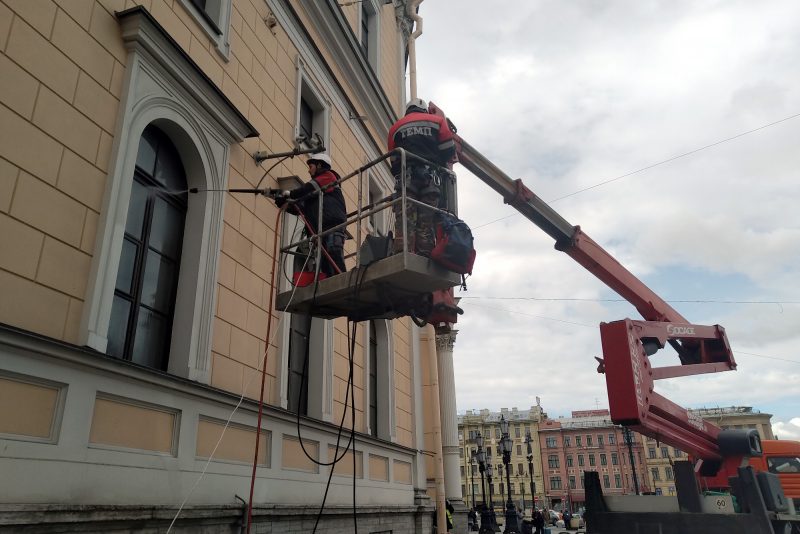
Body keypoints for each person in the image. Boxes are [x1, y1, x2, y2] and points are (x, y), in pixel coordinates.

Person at [387, 98, 456, 256]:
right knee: (426, 223)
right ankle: (425, 255)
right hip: (431, 180)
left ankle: (403, 254)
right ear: (424, 110)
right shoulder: (438, 122)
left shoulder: (395, 128)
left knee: (405, 220)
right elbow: (449, 151)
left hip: (407, 180)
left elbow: (395, 162)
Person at [276, 153, 347, 277]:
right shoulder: (315, 194)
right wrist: (283, 203)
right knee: (324, 263)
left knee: (334, 253)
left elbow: (306, 189)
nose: (309, 171)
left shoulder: (329, 177)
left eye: (311, 166)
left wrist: (289, 194)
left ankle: (345, 282)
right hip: (319, 229)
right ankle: (333, 282)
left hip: (332, 224)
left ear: (319, 165)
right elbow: (300, 209)